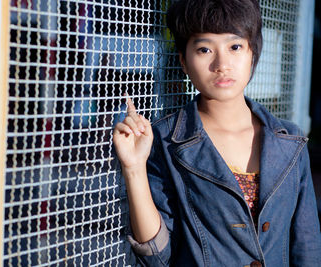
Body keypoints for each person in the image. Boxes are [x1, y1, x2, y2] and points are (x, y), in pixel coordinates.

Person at [112, 0, 321, 266]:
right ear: (184, 62)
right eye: (204, 49)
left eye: (235, 46)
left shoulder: (290, 141)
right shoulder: (164, 141)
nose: (222, 64)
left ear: (253, 52)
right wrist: (134, 167)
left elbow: (307, 246)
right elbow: (157, 257)